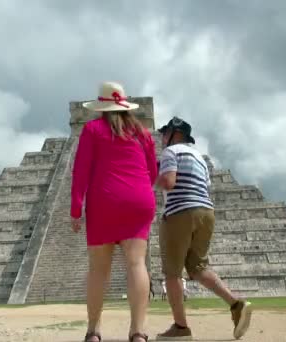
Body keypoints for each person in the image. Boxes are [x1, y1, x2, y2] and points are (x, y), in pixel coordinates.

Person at [71, 81, 158, 342]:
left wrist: (76, 209)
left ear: (102, 107)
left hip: (104, 200)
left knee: (98, 270)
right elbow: (153, 171)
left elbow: (81, 171)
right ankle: (138, 332)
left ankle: (93, 331)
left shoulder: (92, 129)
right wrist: (136, 191)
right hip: (140, 199)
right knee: (136, 264)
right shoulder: (142, 133)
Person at [155, 116, 253, 340]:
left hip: (180, 212)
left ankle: (180, 328)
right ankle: (236, 304)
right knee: (198, 268)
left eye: (164, 133)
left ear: (174, 133)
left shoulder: (171, 153)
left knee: (172, 272)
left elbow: (169, 182)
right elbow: (205, 187)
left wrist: (147, 177)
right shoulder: (200, 158)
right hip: (206, 213)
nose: (161, 137)